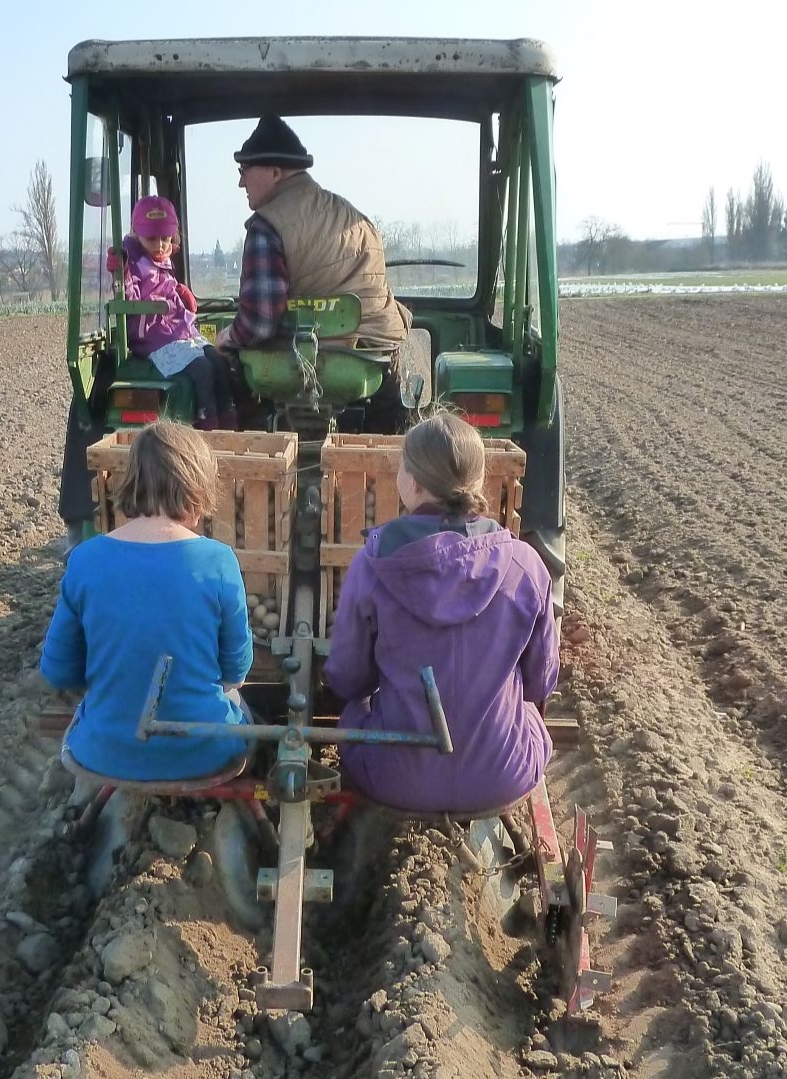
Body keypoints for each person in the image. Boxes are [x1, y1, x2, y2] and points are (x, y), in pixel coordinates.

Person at [323, 411, 558, 814]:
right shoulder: (526, 565)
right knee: (530, 718)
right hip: (504, 775)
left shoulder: (373, 565)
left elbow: (348, 679)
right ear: (478, 482)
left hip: (395, 779)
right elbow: (541, 684)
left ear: (411, 482)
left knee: (351, 717)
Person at [41, 420, 254, 782]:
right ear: (197, 488)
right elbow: (235, 670)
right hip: (203, 754)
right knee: (240, 707)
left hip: (104, 752)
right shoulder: (218, 561)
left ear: (133, 480)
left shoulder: (86, 560)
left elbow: (58, 671)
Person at [213, 116, 412, 431]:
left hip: (303, 362)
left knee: (223, 361)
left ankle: (255, 452)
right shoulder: (355, 217)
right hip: (372, 359)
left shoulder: (268, 225)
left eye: (244, 171)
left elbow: (260, 323)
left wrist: (227, 337)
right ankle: (383, 453)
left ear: (275, 172)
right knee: (390, 425)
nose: (241, 183)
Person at [112, 195, 238, 430]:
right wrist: (123, 272)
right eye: (152, 239)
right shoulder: (135, 264)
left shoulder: (163, 262)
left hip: (179, 333)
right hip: (154, 337)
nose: (160, 244)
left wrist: (180, 292)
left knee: (220, 362)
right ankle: (207, 424)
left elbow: (165, 287)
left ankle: (228, 423)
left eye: (165, 238)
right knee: (202, 370)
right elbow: (131, 298)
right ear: (137, 234)